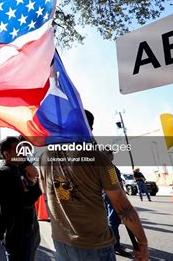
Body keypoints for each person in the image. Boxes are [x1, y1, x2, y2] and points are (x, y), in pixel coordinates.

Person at [39, 110, 149, 261]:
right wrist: (142, 243)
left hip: (60, 241)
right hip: (93, 245)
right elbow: (122, 206)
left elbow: (44, 192)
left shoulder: (44, 156)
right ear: (88, 128)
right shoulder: (99, 159)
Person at [0, 136, 42, 261]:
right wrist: (35, 185)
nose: (22, 151)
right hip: (17, 232)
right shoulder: (6, 173)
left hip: (22, 230)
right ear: (6, 154)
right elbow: (25, 201)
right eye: (17, 149)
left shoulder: (15, 169)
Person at [104, 152, 132, 258]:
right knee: (113, 221)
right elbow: (116, 184)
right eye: (110, 153)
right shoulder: (111, 168)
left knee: (109, 221)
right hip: (113, 197)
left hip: (104, 196)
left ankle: (111, 243)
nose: (112, 155)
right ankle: (115, 246)